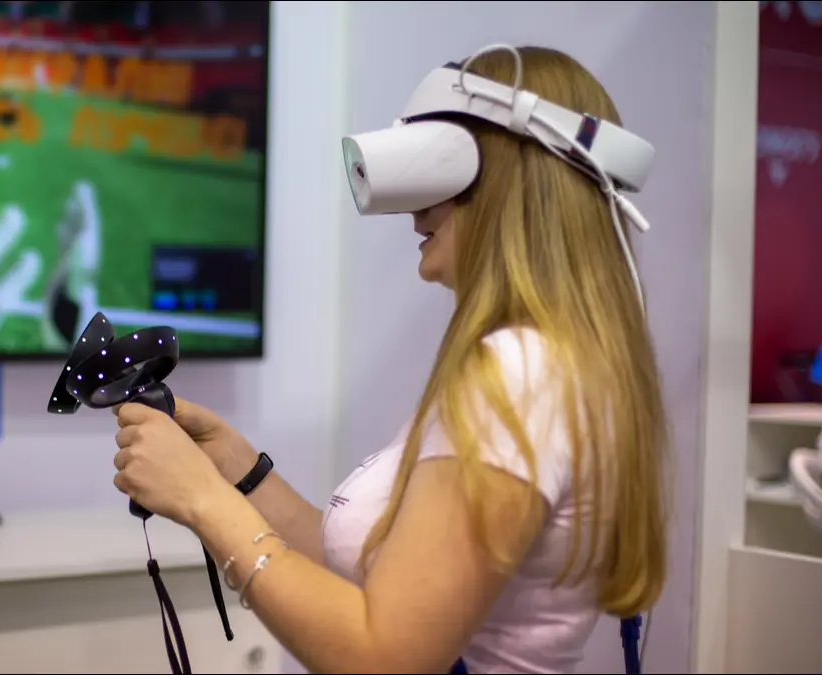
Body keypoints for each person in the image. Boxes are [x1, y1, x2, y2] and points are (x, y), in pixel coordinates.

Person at [109, 46, 668, 674]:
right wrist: (238, 473)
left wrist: (204, 503)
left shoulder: (520, 375)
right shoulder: (546, 362)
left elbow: (385, 655)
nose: (412, 213)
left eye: (438, 172)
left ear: (505, 177)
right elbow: (382, 580)